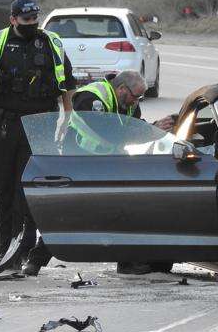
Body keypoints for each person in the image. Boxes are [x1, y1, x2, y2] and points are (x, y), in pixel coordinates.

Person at [0, 0, 77, 268]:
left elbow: (67, 82)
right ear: (13, 20)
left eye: (35, 19)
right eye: (26, 21)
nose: (32, 24)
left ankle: (23, 251)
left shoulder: (51, 43)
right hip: (3, 125)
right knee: (4, 190)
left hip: (39, 125)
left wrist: (68, 116)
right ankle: (6, 254)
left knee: (29, 191)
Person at [22, 70, 174, 276]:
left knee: (122, 209)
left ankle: (127, 262)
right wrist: (151, 128)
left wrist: (153, 131)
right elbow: (110, 132)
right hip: (78, 163)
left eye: (139, 98)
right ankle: (35, 261)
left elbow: (132, 130)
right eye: (135, 96)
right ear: (121, 89)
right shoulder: (91, 98)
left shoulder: (128, 103)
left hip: (108, 164)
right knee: (68, 212)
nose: (136, 102)